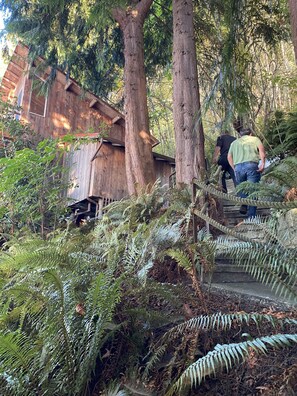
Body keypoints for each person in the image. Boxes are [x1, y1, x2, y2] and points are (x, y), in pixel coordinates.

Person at [227, 128, 266, 218]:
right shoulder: (255, 139)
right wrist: (262, 163)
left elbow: (229, 157)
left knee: (242, 188)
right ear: (250, 134)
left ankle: (244, 202)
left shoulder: (234, 143)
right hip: (251, 165)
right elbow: (261, 151)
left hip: (238, 167)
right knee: (253, 191)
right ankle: (251, 217)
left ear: (240, 135)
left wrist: (234, 168)